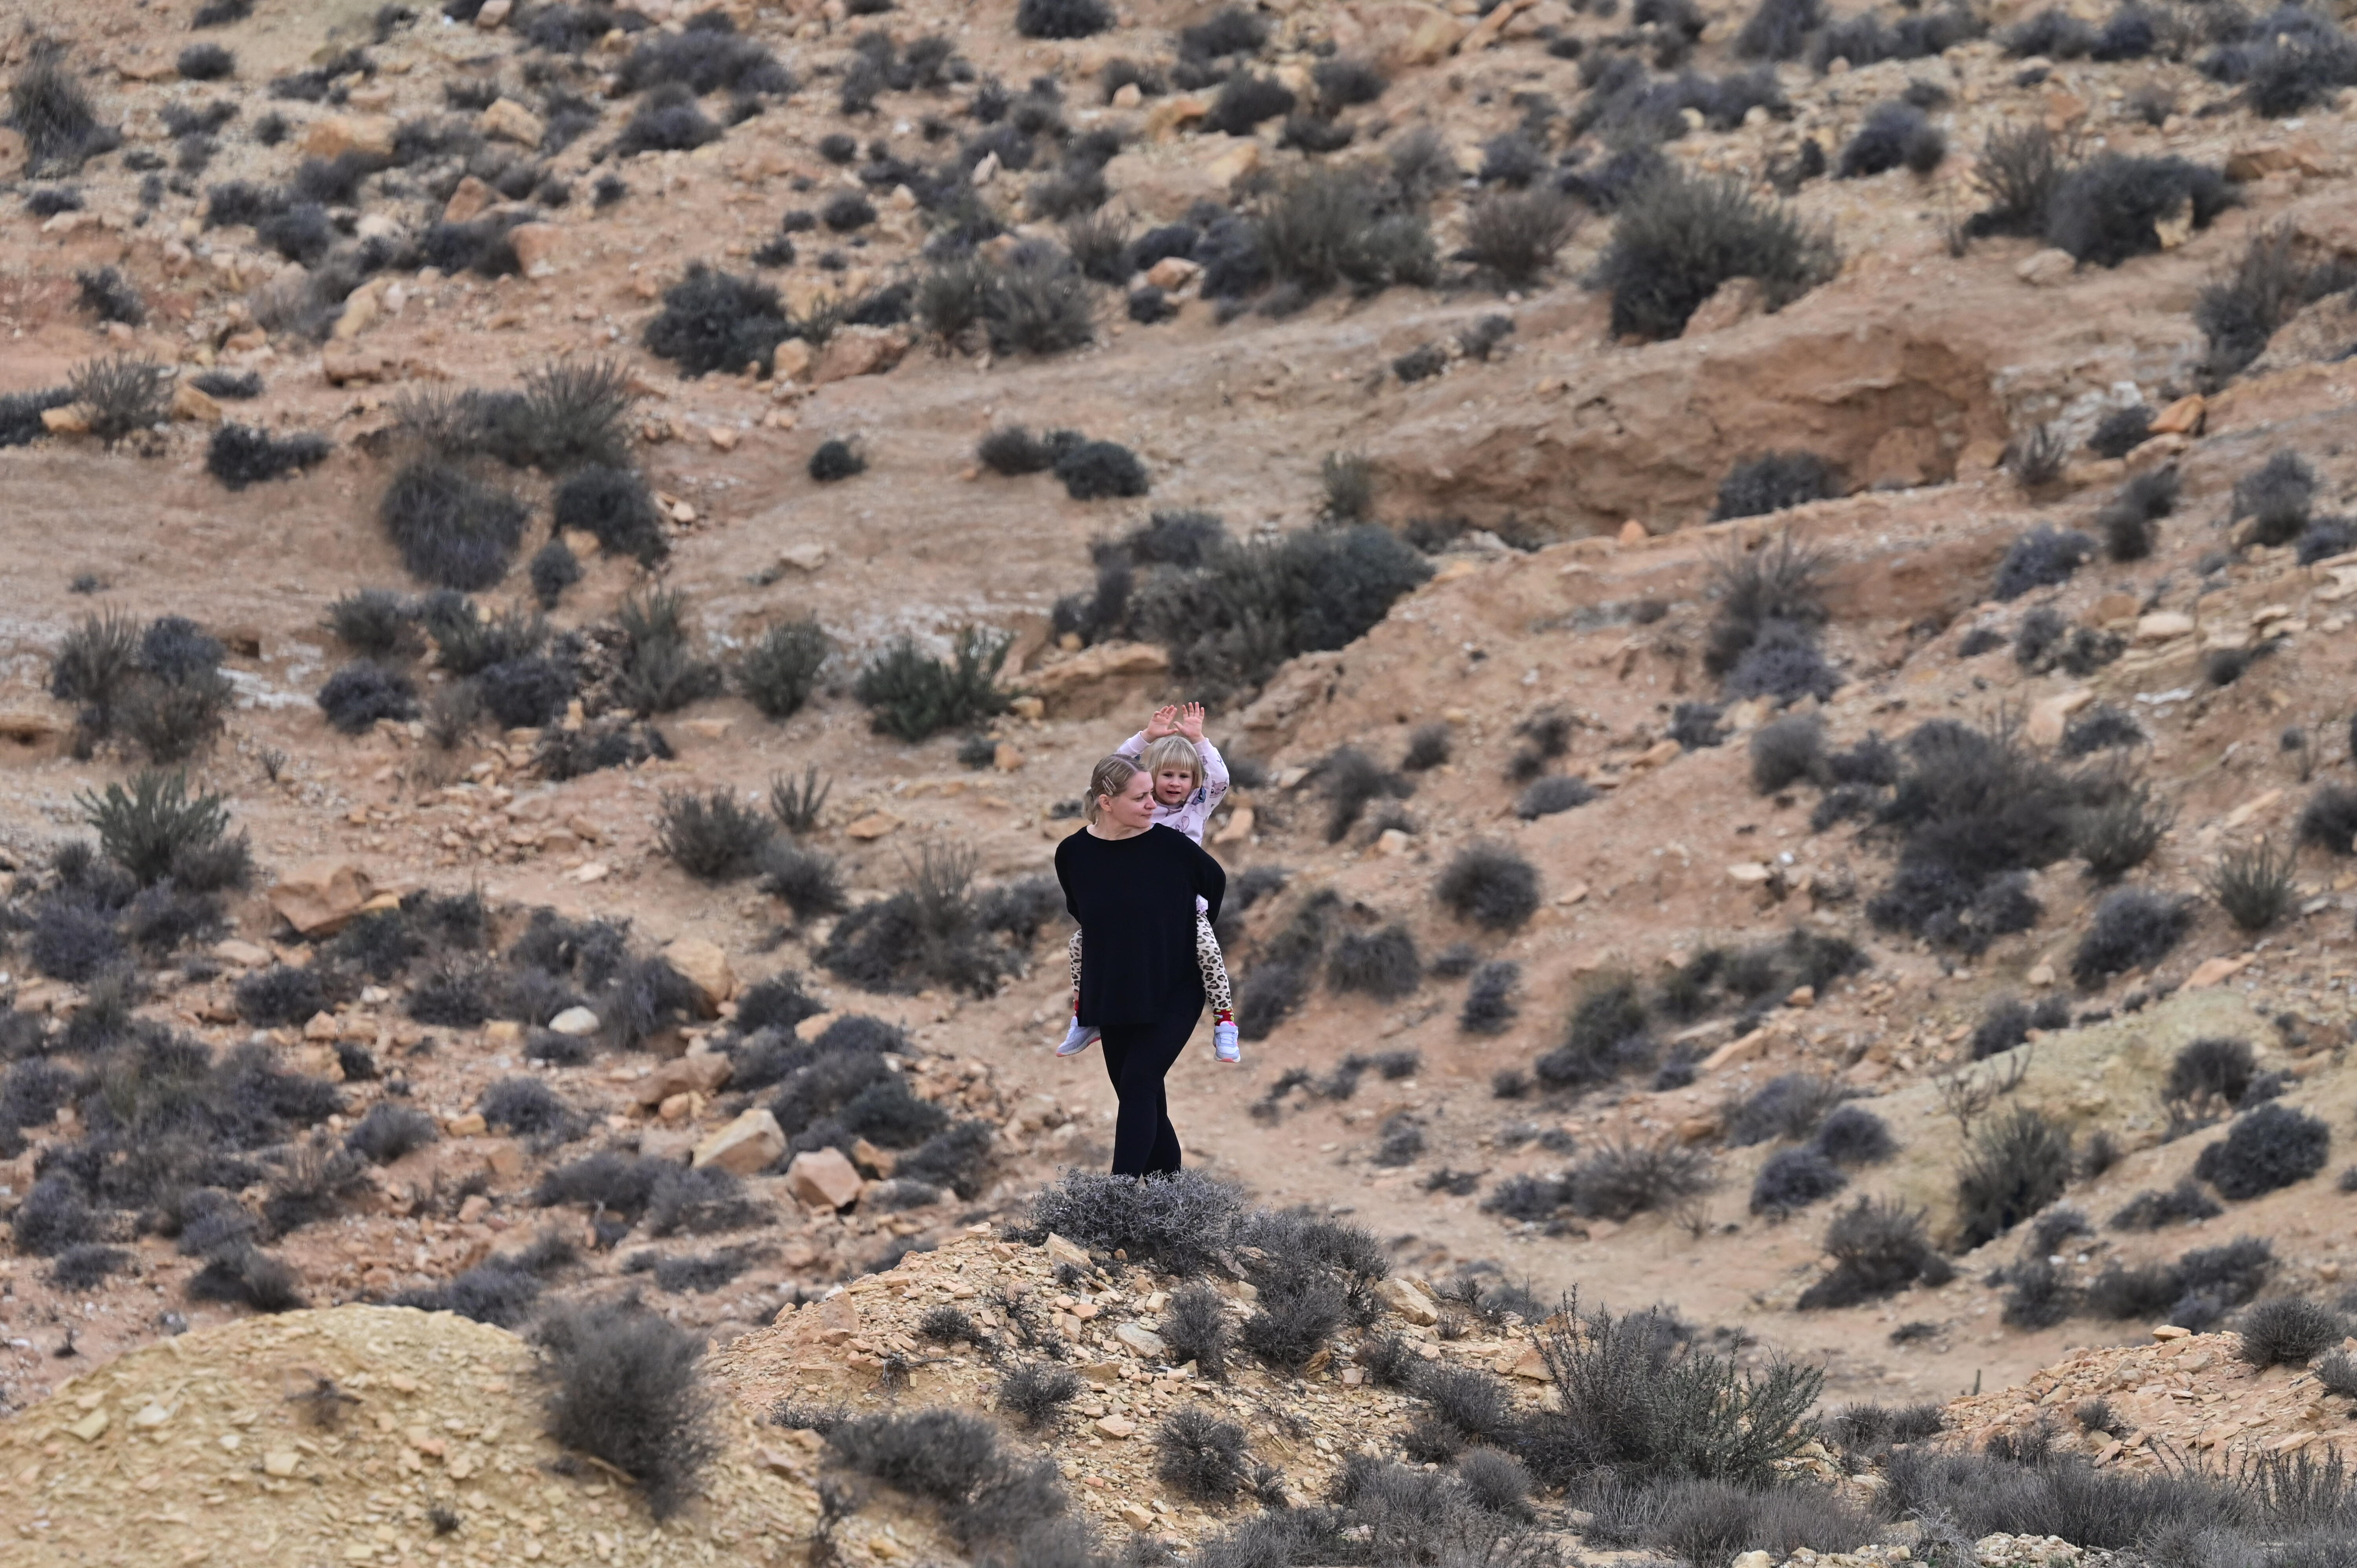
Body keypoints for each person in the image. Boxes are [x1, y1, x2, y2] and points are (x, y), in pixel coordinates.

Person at [1054, 754, 1227, 1176]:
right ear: (1106, 802)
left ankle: (1116, 1197)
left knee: (1139, 1082)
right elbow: (1081, 911)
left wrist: (1181, 932)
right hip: (1113, 991)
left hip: (1175, 988)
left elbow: (1215, 883)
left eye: (1152, 794)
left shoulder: (1172, 848)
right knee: (1144, 1098)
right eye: (1140, 798)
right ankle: (1170, 1202)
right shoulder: (1073, 853)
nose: (1154, 804)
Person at [1056, 703, 1238, 1063]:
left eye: (1185, 777)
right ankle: (1083, 1016)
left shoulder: (1197, 806)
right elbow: (1112, 775)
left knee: (1207, 949)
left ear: (1195, 782)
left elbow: (1220, 779)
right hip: (1135, 906)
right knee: (1079, 945)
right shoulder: (1143, 808)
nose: (1175, 784)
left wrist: (1199, 740)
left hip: (1183, 908)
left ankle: (1225, 1023)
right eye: (1167, 775)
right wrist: (1146, 737)